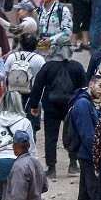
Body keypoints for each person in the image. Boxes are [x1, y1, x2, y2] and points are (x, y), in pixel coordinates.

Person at [27, 38, 86, 178]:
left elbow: (37, 87)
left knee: (50, 137)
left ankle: (51, 168)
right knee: (72, 134)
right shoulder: (77, 66)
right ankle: (73, 164)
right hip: (71, 107)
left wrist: (34, 105)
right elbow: (84, 88)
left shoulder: (47, 66)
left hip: (50, 106)